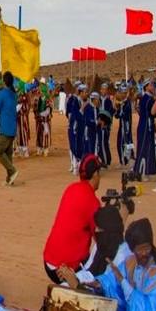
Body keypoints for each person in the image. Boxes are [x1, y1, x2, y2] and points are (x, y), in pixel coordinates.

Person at [43, 154, 102, 284]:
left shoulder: (71, 188)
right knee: (102, 251)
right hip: (64, 269)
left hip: (48, 261)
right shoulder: (93, 203)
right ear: (95, 174)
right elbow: (101, 240)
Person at [0, 71, 18, 185]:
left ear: (4, 81)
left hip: (5, 127)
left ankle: (12, 171)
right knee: (8, 153)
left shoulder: (2, 93)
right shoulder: (13, 93)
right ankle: (10, 179)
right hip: (12, 127)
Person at [133, 79, 156, 181]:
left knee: (147, 147)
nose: (153, 87)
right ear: (146, 87)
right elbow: (153, 113)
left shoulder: (145, 98)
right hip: (146, 127)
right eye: (151, 85)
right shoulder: (148, 99)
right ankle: (142, 172)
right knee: (145, 147)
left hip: (146, 125)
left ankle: (145, 171)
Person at [115, 86, 134, 166]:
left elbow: (121, 115)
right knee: (127, 142)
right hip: (123, 126)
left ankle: (125, 161)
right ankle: (128, 159)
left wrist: (118, 110)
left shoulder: (127, 103)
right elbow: (117, 115)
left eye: (122, 93)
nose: (121, 95)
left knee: (123, 143)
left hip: (125, 126)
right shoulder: (123, 103)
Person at [99, 83, 114, 167]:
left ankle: (106, 161)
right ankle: (103, 159)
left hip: (105, 126)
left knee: (104, 143)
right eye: (102, 89)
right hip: (99, 125)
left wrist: (105, 123)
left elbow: (110, 113)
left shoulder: (108, 101)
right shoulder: (99, 100)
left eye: (105, 89)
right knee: (100, 143)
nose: (104, 91)